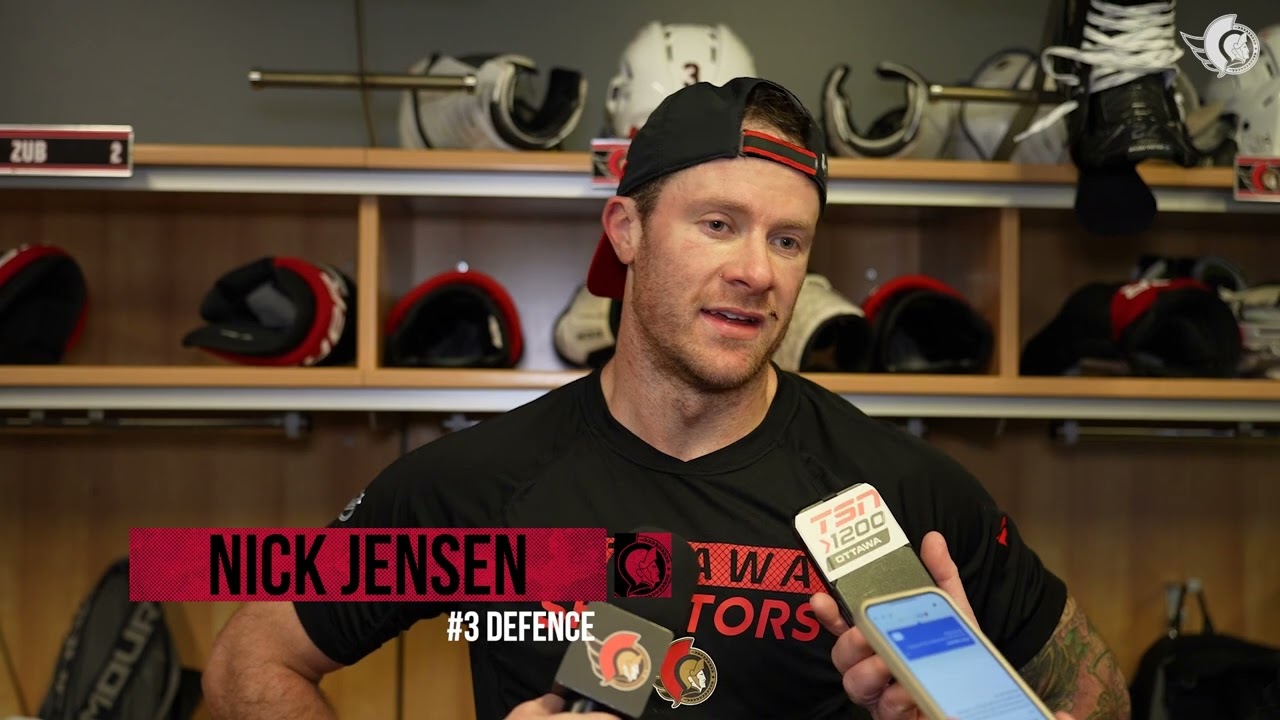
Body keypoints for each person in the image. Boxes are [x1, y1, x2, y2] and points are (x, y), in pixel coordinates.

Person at [202, 77, 1130, 719]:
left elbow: (1104, 695)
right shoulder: (478, 488)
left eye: (788, 241)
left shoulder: (900, 494)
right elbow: (252, 654)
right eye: (718, 224)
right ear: (628, 229)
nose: (756, 272)